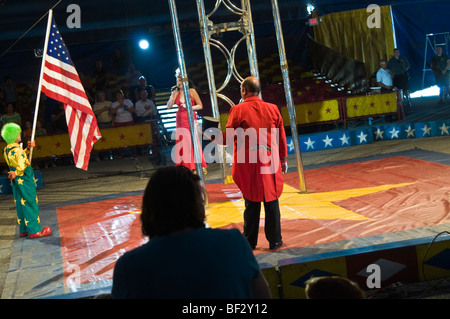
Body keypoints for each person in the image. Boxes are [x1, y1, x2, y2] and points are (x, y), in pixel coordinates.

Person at [111, 165, 271, 299]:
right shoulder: (234, 242)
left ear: (149, 208)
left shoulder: (129, 266)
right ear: (197, 203)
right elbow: (263, 297)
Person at [223, 76, 287, 250]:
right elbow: (281, 137)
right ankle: (275, 240)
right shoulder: (273, 108)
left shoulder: (237, 110)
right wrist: (283, 158)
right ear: (259, 90)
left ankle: (250, 240)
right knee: (272, 199)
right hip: (270, 161)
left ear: (244, 91)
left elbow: (229, 137)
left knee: (251, 201)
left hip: (249, 163)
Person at [1, 123, 52, 238]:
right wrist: (17, 172)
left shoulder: (7, 149)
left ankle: (24, 230)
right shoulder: (17, 150)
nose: (20, 134)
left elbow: (19, 157)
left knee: (20, 202)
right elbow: (22, 164)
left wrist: (28, 149)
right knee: (30, 202)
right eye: (18, 133)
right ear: (13, 136)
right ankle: (34, 231)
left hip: (16, 180)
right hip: (24, 178)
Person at [167, 68, 207, 173]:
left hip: (190, 117)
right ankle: (186, 165)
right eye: (177, 81)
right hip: (180, 119)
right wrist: (172, 95)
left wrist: (189, 107)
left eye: (180, 81)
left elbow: (200, 106)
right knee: (183, 142)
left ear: (185, 81)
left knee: (192, 141)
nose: (178, 83)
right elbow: (169, 106)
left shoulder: (192, 91)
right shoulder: (176, 92)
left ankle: (197, 165)